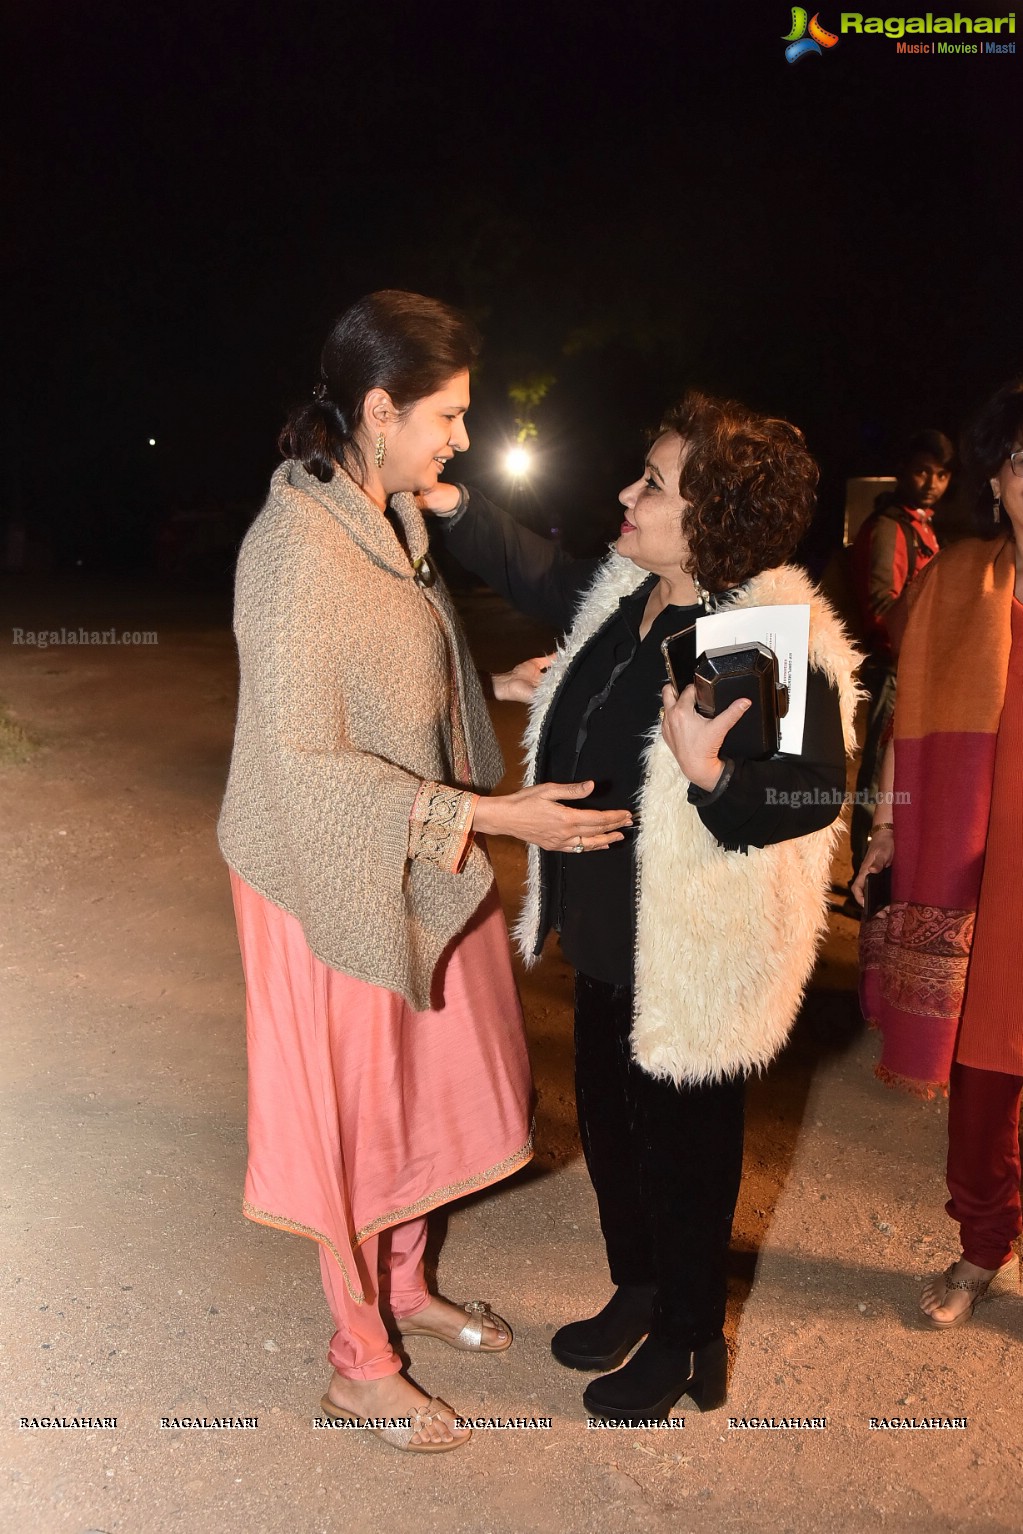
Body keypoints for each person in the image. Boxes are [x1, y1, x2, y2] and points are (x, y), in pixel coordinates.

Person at [217, 290, 632, 1453]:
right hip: (316, 869)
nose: (459, 438)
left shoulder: (384, 517)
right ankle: (359, 1359)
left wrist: (487, 692)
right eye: (445, 416)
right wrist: (495, 812)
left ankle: (406, 1285)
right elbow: (302, 756)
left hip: (400, 845)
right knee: (351, 1112)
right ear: (379, 407)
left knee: (422, 1070)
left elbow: (397, 666)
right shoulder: (293, 549)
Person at [426, 390, 861, 1419]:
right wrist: (450, 504)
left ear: (712, 517)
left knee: (687, 1151)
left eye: (655, 484)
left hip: (690, 948)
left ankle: (689, 1341)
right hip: (608, 927)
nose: (626, 493)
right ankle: (642, 1284)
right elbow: (537, 569)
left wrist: (713, 777)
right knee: (615, 1129)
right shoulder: (634, 592)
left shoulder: (760, 635)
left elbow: (807, 795)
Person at [855, 380, 1023, 1328]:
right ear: (994, 480)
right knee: (984, 1072)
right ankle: (980, 1244)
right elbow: (905, 725)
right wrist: (888, 822)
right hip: (977, 868)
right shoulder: (956, 580)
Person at [849, 431, 952, 869]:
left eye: (942, 474)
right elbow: (882, 606)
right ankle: (865, 872)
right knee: (877, 773)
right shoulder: (893, 526)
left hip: (911, 667)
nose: (932, 481)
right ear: (903, 472)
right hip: (893, 666)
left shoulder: (921, 525)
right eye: (922, 470)